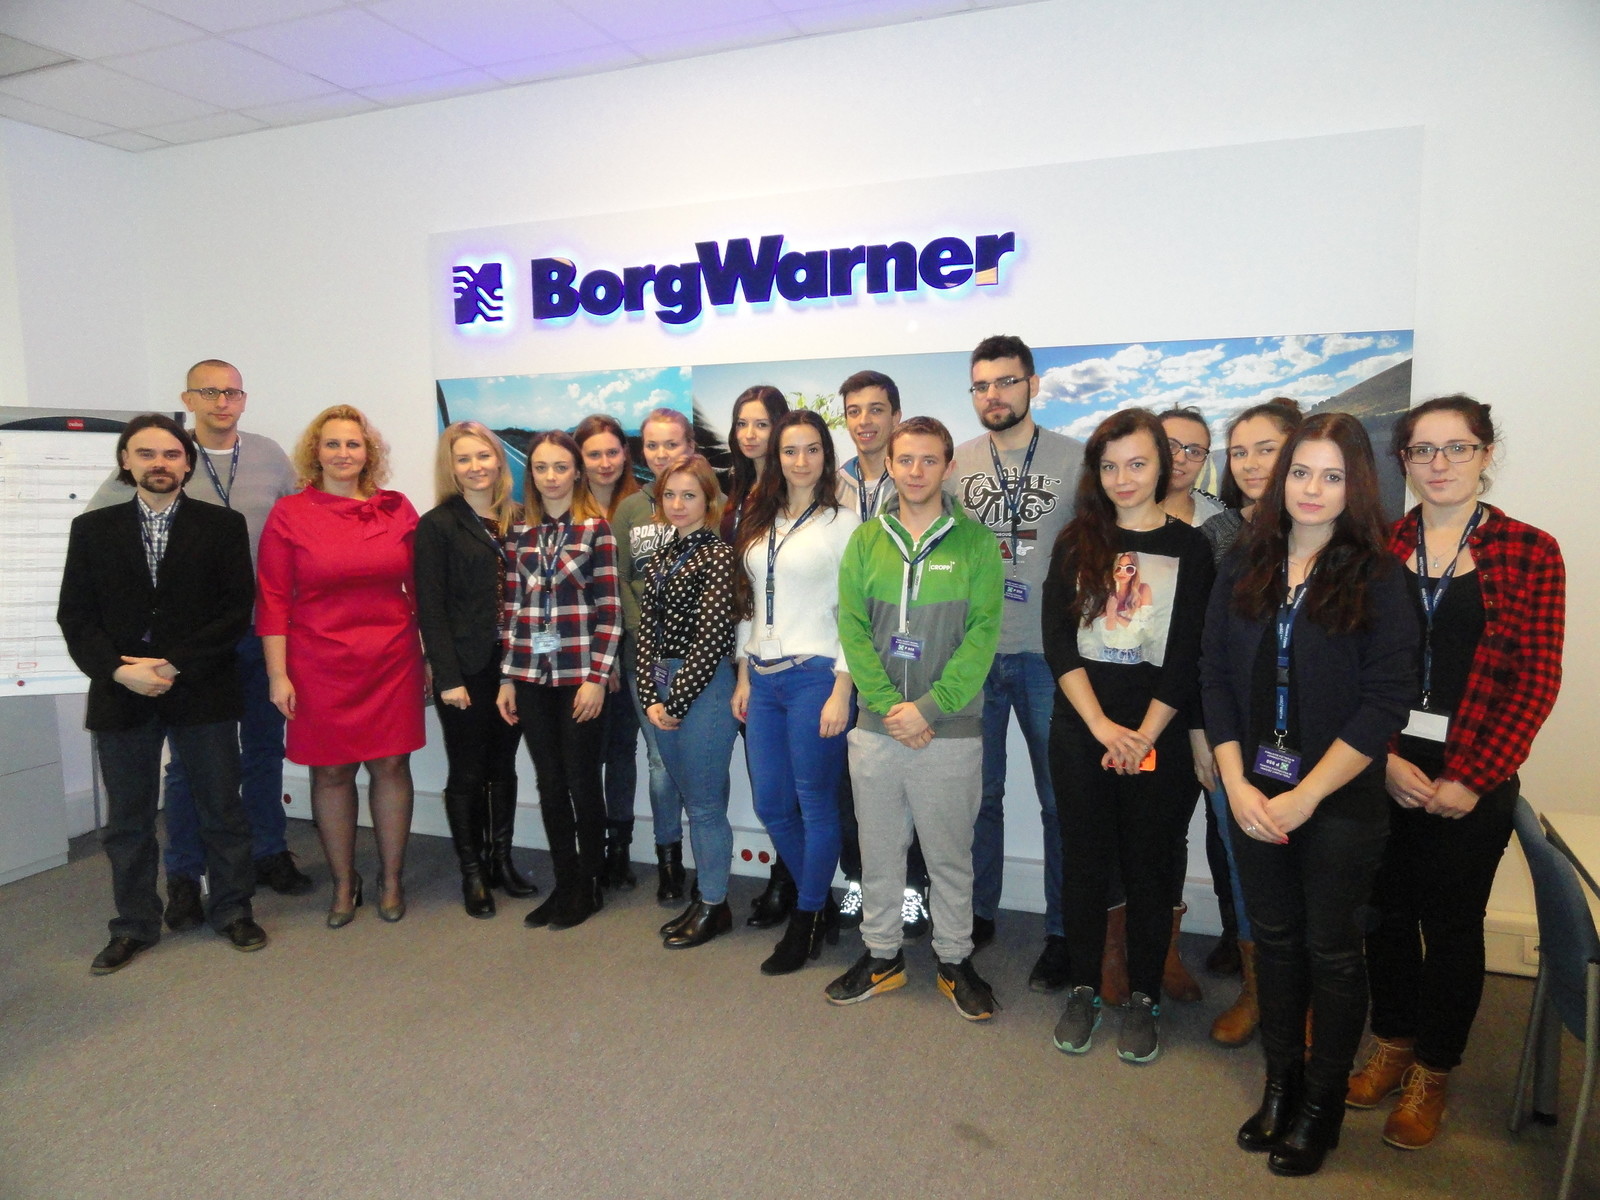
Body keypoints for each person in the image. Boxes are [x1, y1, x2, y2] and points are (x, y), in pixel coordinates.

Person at [1201, 412, 1418, 1177]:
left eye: (1332, 475)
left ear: (1356, 485)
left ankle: (1322, 1106)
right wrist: (1235, 782)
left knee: (1331, 950)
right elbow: (1214, 677)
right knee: (1276, 942)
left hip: (1339, 804)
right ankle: (1280, 1086)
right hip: (1255, 794)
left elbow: (1385, 703)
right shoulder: (1245, 561)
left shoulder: (1381, 576)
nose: (1313, 489)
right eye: (1301, 472)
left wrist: (1307, 797)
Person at [1348, 395, 1565, 1150]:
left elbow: (1536, 679)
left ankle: (1433, 1071)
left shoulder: (1531, 552)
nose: (1439, 464)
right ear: (1404, 462)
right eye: (1423, 451)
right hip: (1382, 763)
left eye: (1457, 448)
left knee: (1450, 926)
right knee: (1383, 914)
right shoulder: (1377, 547)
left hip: (1474, 771)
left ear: (1485, 454)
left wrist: (1472, 778)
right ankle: (1392, 1043)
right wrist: (1381, 760)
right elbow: (1352, 665)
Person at [84, 360, 310, 931]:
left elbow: (300, 523)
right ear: (188, 399)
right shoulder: (161, 456)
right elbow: (104, 534)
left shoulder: (269, 455)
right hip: (188, 646)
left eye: (231, 392)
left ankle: (268, 852)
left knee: (263, 750)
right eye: (208, 392)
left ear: (243, 399)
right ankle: (186, 872)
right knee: (191, 766)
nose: (221, 401)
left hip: (261, 631)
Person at [59, 414, 267, 972]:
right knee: (128, 821)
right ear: (125, 461)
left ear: (187, 463)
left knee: (221, 808)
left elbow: (234, 611)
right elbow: (76, 616)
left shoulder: (222, 526)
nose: (160, 463)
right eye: (146, 453)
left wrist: (174, 663)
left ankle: (232, 910)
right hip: (122, 690)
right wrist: (117, 671)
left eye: (172, 454)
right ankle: (134, 924)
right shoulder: (92, 529)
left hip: (201, 686)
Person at [1042, 410, 1215, 1064]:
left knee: (1151, 867)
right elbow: (1059, 643)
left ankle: (1144, 995)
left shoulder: (1192, 548)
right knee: (1085, 863)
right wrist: (1101, 727)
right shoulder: (1075, 541)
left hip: (1156, 736)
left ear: (1162, 466)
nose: (1123, 478)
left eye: (1137, 463)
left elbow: (1189, 653)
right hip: (1082, 728)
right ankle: (1085, 987)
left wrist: (1142, 735)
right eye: (1110, 465)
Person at [829, 416, 1003, 1020]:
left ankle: (955, 960)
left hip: (949, 733)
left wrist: (927, 709)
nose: (916, 471)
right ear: (891, 465)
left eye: (930, 460)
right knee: (878, 852)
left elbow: (983, 636)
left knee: (950, 856)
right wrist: (886, 706)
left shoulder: (976, 543)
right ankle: (882, 956)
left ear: (949, 467)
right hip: (876, 731)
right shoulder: (866, 541)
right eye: (905, 460)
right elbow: (852, 628)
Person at [257, 406, 425, 927]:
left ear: (368, 453)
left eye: (353, 444)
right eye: (333, 444)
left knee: (391, 766)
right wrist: (278, 674)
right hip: (318, 662)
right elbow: (273, 599)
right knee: (330, 772)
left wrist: (430, 658)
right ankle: (343, 883)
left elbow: (422, 590)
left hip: (392, 657)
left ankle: (391, 879)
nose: (343, 453)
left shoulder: (398, 509)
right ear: (316, 452)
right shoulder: (289, 514)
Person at [951, 335, 1080, 990]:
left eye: (1005, 381)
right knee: (981, 795)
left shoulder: (1075, 460)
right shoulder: (957, 463)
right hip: (976, 656)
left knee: (1060, 801)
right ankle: (979, 911)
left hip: (1049, 657)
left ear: (1033, 383)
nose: (993, 395)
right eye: (981, 385)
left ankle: (1062, 930)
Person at [732, 411, 859, 973]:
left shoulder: (844, 524)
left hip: (816, 677)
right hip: (762, 678)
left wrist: (842, 688)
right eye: (790, 450)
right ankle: (819, 902)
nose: (800, 461)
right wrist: (742, 674)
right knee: (771, 804)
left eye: (811, 449)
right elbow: (750, 601)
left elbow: (856, 612)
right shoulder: (760, 518)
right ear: (777, 457)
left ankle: (805, 922)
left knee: (814, 802)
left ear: (826, 456)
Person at [1201, 398, 1303, 1047]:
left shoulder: (1333, 536)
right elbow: (1207, 652)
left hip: (1312, 740)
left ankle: (1304, 996)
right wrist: (1207, 739)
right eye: (1239, 452)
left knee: (1313, 872)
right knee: (1244, 865)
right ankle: (1259, 988)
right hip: (1237, 739)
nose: (1251, 463)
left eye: (1267, 448)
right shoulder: (1222, 539)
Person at [497, 431, 621, 930]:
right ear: (532, 474)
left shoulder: (596, 530)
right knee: (549, 783)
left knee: (582, 781)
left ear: (577, 472)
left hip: (579, 676)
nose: (551, 477)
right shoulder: (519, 533)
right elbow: (511, 609)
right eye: (542, 468)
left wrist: (598, 677)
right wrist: (507, 677)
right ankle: (565, 882)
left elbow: (610, 611)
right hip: (530, 675)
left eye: (561, 467)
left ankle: (589, 884)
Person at [414, 421, 536, 918]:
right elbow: (431, 608)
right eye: (463, 459)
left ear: (498, 460)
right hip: (466, 668)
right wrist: (447, 678)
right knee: (467, 770)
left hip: (517, 668)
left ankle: (500, 861)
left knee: (503, 765)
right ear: (451, 467)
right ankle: (472, 872)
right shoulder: (437, 525)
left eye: (483, 456)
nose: (476, 466)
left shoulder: (522, 518)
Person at [834, 370, 931, 936]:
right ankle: (860, 879)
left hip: (908, 655)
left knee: (911, 774)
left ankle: (912, 886)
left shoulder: (918, 480)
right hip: (848, 654)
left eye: (876, 409)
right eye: (854, 411)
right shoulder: (832, 484)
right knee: (853, 780)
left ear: (896, 415)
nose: (865, 421)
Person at [636, 454, 742, 948]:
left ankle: (714, 904)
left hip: (704, 689)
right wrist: (649, 697)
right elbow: (647, 633)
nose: (678, 504)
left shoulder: (718, 555)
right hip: (664, 688)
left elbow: (713, 637)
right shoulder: (662, 556)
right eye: (670, 495)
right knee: (692, 798)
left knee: (703, 805)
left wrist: (675, 703)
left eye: (689, 495)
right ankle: (706, 897)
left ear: (709, 501)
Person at [719, 385, 800, 930]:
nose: (750, 435)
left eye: (761, 424)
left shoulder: (791, 494)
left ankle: (791, 880)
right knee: (767, 777)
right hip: (741, 649)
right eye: (742, 424)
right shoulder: (737, 490)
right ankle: (788, 874)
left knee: (792, 781)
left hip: (787, 653)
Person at [613, 407, 696, 902]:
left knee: (698, 761)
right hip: (643, 658)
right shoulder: (629, 509)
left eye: (672, 444)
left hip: (700, 658)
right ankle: (669, 859)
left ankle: (709, 852)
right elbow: (620, 577)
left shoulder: (711, 500)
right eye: (652, 445)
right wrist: (644, 634)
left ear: (690, 447)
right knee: (660, 760)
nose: (662, 454)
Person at [576, 413, 644, 891]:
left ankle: (619, 848)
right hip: (578, 655)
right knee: (582, 757)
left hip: (630, 651)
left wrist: (617, 658)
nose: (605, 462)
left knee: (621, 752)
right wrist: (598, 664)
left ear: (626, 454)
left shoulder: (642, 507)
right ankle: (590, 847)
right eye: (594, 454)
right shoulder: (565, 506)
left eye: (613, 452)